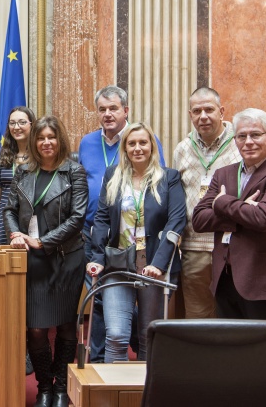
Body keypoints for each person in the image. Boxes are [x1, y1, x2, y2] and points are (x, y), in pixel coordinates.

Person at [4, 115, 88, 407]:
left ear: (59, 140)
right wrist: (14, 232)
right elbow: (9, 209)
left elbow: (78, 218)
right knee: (36, 327)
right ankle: (43, 388)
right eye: (40, 138)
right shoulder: (23, 171)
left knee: (65, 325)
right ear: (34, 142)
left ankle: (61, 388)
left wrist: (44, 240)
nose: (46, 142)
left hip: (66, 258)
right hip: (33, 259)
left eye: (51, 137)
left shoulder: (74, 172)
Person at [78, 86, 165, 362]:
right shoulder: (87, 143)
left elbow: (157, 187)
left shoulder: (140, 140)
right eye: (102, 109)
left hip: (135, 240)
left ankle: (140, 362)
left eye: (113, 108)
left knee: (131, 309)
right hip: (95, 235)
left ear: (125, 110)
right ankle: (99, 364)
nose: (107, 114)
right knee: (102, 303)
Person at [86, 123, 186, 363]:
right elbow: (100, 219)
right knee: (117, 335)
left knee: (147, 336)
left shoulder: (169, 177)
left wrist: (160, 265)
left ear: (152, 146)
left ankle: (143, 395)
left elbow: (176, 221)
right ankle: (114, 395)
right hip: (118, 265)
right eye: (132, 143)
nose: (138, 148)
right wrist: (97, 259)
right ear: (125, 148)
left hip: (153, 267)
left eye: (143, 142)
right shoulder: (113, 175)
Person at [193, 108, 266, 320]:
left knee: (261, 352)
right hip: (223, 280)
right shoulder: (224, 173)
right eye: (241, 136)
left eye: (255, 135)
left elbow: (262, 218)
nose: (248, 141)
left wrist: (222, 202)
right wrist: (243, 209)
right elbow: (199, 219)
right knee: (227, 351)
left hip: (261, 282)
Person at [172, 87, 241, 318]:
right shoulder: (182, 150)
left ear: (221, 111)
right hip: (194, 247)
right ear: (190, 114)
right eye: (197, 111)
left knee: (233, 316)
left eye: (209, 109)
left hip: (233, 244)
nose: (203, 116)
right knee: (198, 317)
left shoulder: (240, 144)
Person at [0, 106, 36, 247]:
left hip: (31, 222)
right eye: (12, 123)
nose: (16, 127)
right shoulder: (3, 158)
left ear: (32, 124)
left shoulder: (39, 158)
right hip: (4, 224)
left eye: (22, 122)